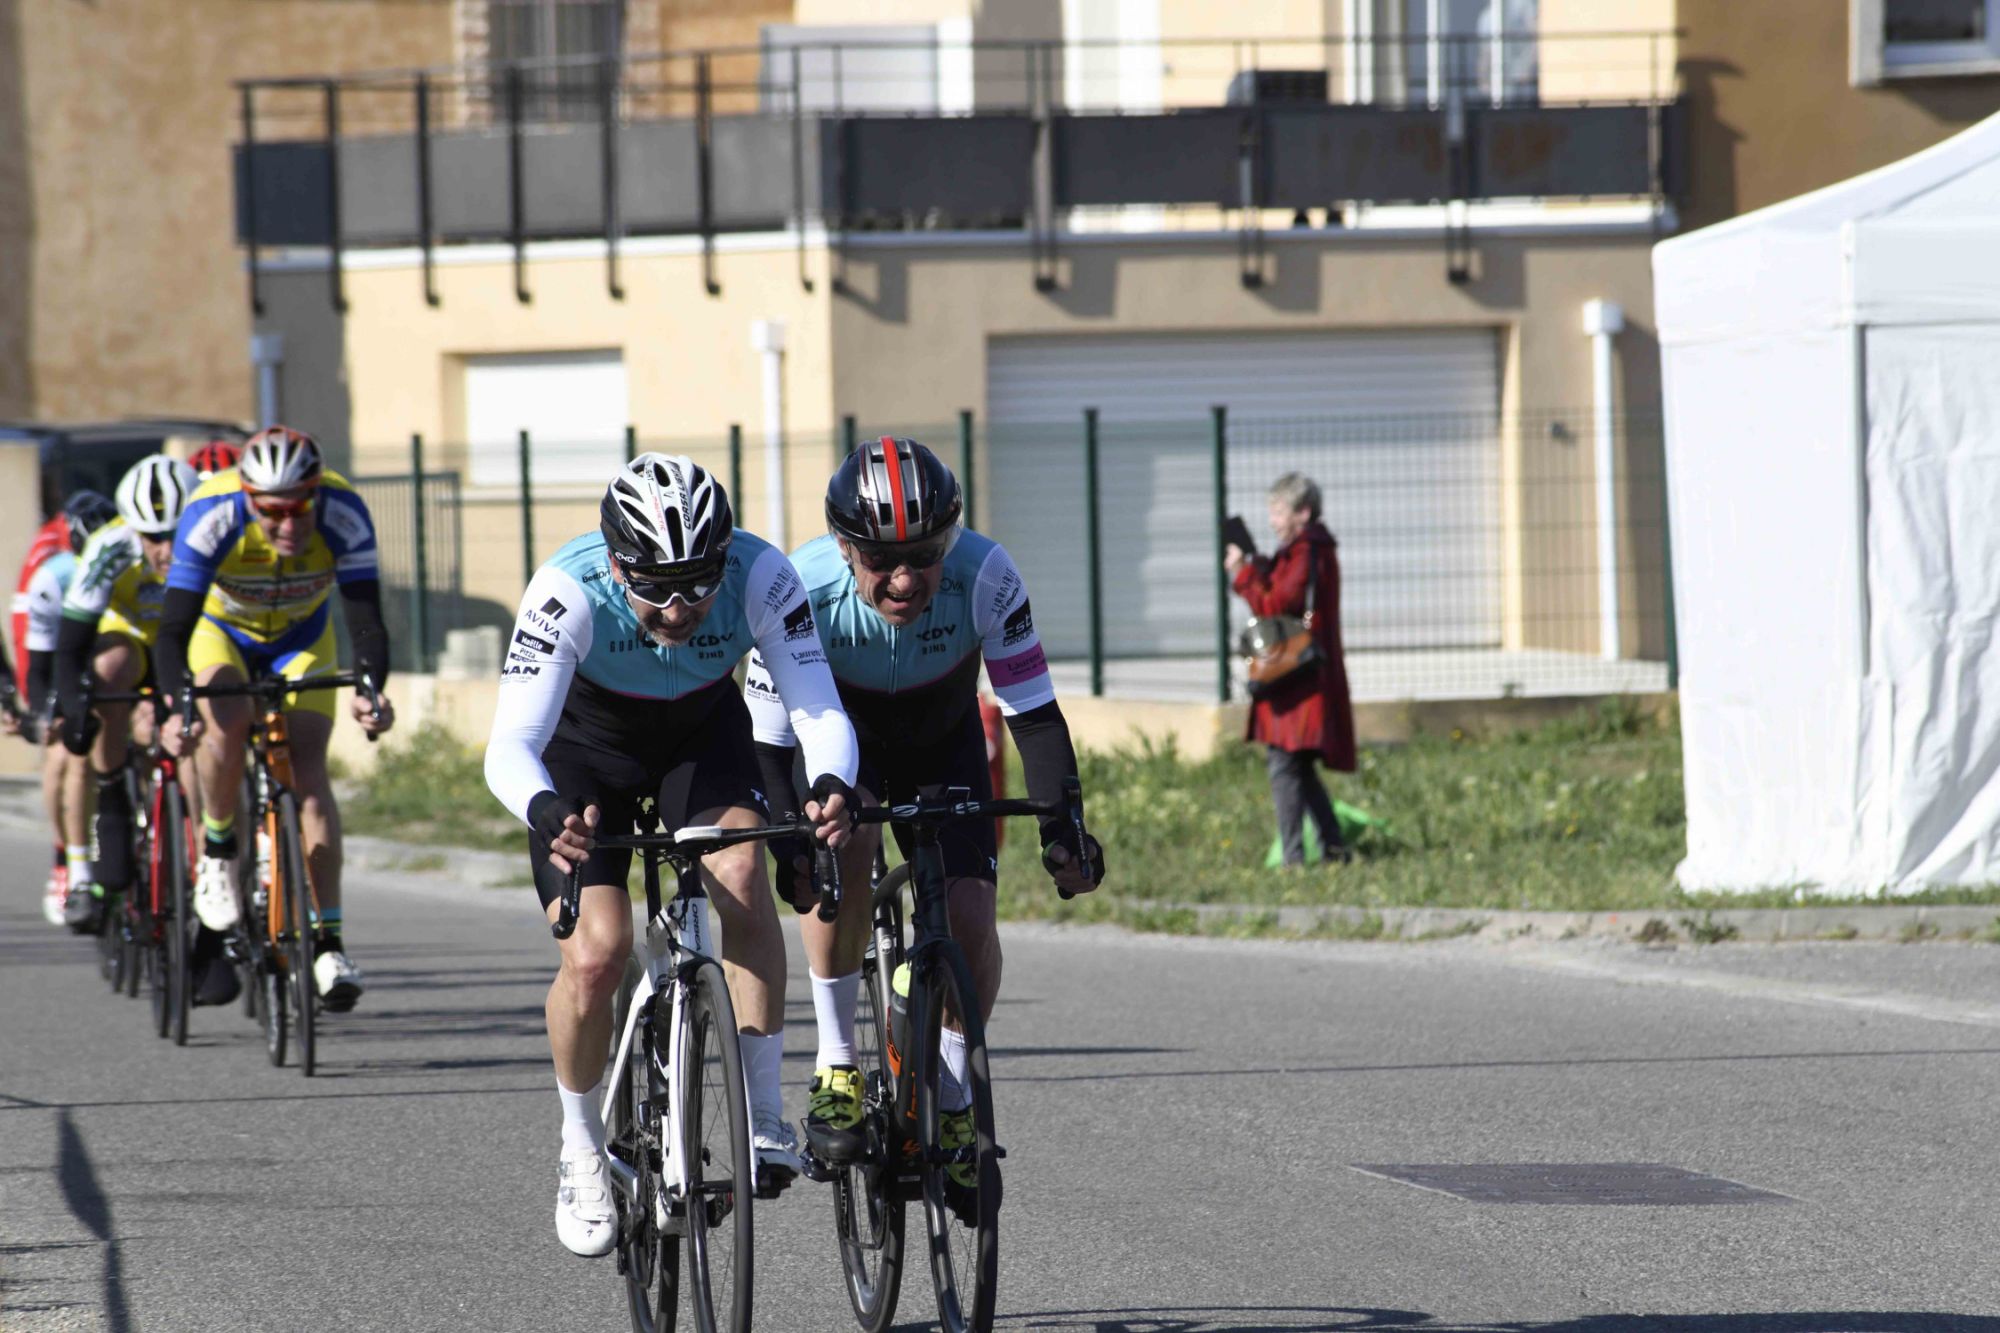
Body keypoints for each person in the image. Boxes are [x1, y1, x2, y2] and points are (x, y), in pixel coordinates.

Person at [482, 452, 857, 1259]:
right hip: (585, 757)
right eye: (655, 586)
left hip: (699, 738)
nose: (679, 607)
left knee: (743, 873)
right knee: (597, 953)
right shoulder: (566, 590)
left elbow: (818, 707)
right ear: (617, 565)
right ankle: (581, 1145)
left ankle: (761, 1114)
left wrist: (830, 781)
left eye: (697, 582)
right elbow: (509, 744)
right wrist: (545, 807)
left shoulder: (764, 575)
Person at [743, 437, 1104, 1181]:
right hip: (842, 744)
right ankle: (838, 1063)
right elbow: (770, 741)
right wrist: (792, 848)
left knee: (970, 919)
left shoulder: (987, 574)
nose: (905, 579)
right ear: (845, 547)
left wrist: (1063, 827)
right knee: (840, 847)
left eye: (926, 554)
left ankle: (954, 1090)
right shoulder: (799, 587)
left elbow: (1033, 712)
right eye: (882, 559)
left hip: (943, 742)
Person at [155, 425, 396, 1011]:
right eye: (272, 512)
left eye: (299, 508)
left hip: (301, 638)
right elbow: (173, 629)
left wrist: (371, 691)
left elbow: (366, 620)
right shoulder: (212, 513)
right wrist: (175, 708)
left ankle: (329, 942)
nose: (289, 524)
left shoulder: (344, 512)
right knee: (224, 723)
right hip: (222, 633)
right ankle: (219, 852)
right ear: (249, 499)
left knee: (309, 769)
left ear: (316, 493)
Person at [52, 456, 200, 934]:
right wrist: (74, 706)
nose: (168, 549)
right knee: (108, 670)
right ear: (133, 530)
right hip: (133, 640)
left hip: (194, 641)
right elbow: (71, 642)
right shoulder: (110, 546)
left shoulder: (214, 538)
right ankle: (113, 792)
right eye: (154, 537)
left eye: (177, 534)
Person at [1225, 472, 1357, 867]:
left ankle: (1294, 860)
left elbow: (1276, 606)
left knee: (1284, 763)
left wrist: (1242, 574)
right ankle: (1333, 849)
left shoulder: (1307, 552)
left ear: (1303, 512)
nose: (1272, 521)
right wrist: (1256, 567)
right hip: (1301, 676)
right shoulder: (1302, 551)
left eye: (1278, 512)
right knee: (1296, 764)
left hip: (1299, 678)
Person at [9, 492, 120, 925]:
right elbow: (38, 667)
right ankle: (68, 864)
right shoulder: (52, 576)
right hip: (62, 658)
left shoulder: (128, 567)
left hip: (115, 653)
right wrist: (42, 714)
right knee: (65, 754)